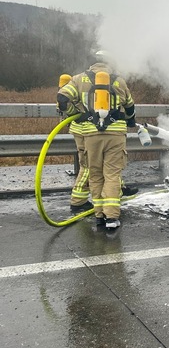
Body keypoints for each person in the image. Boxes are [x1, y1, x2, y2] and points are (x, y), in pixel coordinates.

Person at [57, 50, 137, 230]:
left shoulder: (79, 79)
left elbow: (62, 98)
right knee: (111, 175)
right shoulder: (119, 80)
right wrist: (131, 120)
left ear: (92, 62)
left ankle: (99, 215)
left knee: (94, 174)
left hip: (90, 133)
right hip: (115, 134)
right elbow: (130, 106)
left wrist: (75, 115)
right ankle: (112, 218)